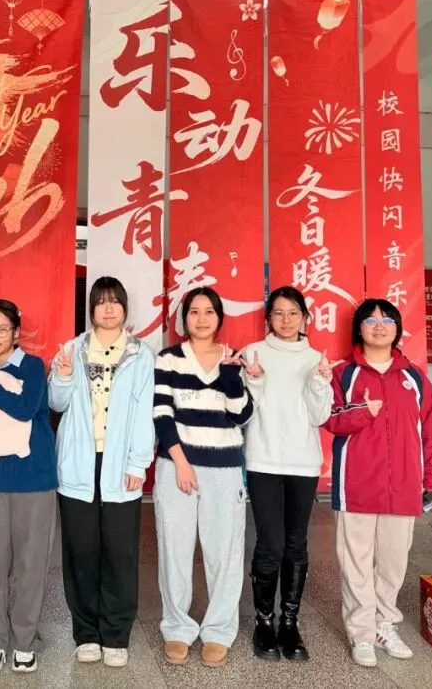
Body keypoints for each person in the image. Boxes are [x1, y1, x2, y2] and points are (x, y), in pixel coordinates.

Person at [326, 299, 432, 668]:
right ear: (358, 328)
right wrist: (363, 411)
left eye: (387, 320)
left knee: (393, 562)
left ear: (397, 329)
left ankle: (384, 624)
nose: (379, 326)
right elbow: (330, 420)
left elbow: (430, 432)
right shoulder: (343, 374)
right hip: (356, 484)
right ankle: (361, 633)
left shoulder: (415, 377)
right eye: (370, 320)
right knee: (356, 564)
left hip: (404, 485)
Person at [49, 276, 155, 669]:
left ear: (124, 308)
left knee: (120, 551)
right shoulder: (72, 350)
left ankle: (115, 633)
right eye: (101, 302)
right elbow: (56, 404)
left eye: (115, 301)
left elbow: (144, 412)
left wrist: (137, 462)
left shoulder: (140, 354)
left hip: (120, 465)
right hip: (79, 462)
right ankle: (86, 633)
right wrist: (62, 376)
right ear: (91, 308)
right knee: (81, 550)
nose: (108, 309)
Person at [153, 286, 257, 668]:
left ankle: (218, 630)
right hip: (176, 466)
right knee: (174, 549)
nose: (201, 318)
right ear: (184, 319)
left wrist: (231, 377)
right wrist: (181, 462)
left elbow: (242, 416)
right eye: (194, 312)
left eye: (208, 311)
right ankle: (177, 627)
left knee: (224, 552)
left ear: (218, 317)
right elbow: (161, 414)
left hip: (224, 470)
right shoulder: (168, 359)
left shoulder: (234, 359)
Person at [0, 299, 57, 674]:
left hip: (34, 479)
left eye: (2, 329)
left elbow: (25, 407)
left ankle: (24, 640)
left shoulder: (32, 366)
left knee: (31, 564)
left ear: (16, 332)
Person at [242, 286, 334, 661]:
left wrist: (320, 381)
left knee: (296, 543)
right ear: (268, 318)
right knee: (270, 543)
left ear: (305, 318)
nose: (285, 320)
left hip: (303, 463)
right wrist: (255, 380)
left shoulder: (315, 360)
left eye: (293, 313)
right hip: (263, 461)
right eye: (278, 313)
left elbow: (319, 416)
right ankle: (264, 622)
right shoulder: (253, 353)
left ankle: (289, 623)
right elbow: (244, 412)